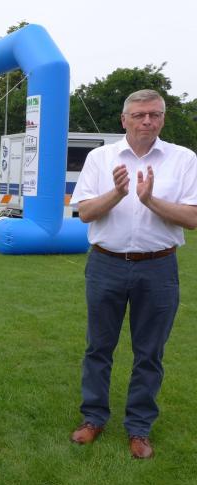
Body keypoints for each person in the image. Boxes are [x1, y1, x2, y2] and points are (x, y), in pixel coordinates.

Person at [69, 89, 197, 459]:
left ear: (163, 119)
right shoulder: (100, 157)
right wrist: (118, 193)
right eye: (139, 115)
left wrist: (149, 200)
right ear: (124, 119)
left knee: (149, 352)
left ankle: (139, 428)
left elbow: (192, 218)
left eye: (154, 114)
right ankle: (93, 418)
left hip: (159, 266)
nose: (147, 121)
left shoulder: (184, 159)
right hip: (106, 263)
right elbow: (86, 212)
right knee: (98, 347)